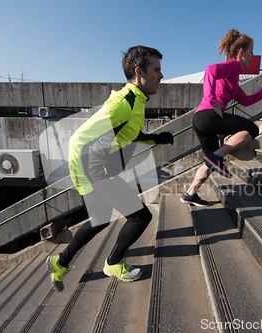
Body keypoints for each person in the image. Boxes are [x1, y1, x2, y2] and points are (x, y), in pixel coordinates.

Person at [46, 45, 173, 292]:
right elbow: (78, 140)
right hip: (95, 171)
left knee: (101, 219)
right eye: (156, 70)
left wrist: (155, 139)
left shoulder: (135, 100)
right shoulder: (124, 104)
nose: (162, 75)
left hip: (98, 169)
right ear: (140, 72)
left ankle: (60, 262)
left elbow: (130, 133)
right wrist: (85, 180)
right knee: (140, 217)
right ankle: (113, 263)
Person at [180, 29, 262, 206]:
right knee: (252, 129)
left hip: (200, 120)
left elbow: (246, 101)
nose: (252, 56)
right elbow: (210, 70)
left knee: (210, 164)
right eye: (251, 52)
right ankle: (217, 156)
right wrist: (212, 100)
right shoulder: (234, 66)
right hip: (209, 115)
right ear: (241, 52)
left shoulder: (233, 78)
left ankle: (190, 192)